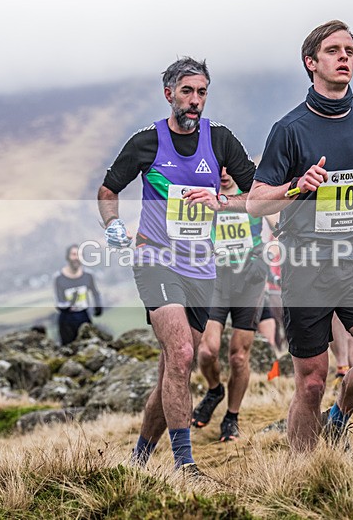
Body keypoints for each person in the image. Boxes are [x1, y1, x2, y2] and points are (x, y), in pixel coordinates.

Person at [247, 20, 353, 452]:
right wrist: (297, 186)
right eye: (334, 50)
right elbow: (256, 202)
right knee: (312, 381)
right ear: (311, 62)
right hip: (305, 266)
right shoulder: (290, 129)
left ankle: (339, 417)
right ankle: (304, 474)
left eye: (350, 51)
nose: (344, 58)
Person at [97, 57, 256, 473]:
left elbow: (257, 195)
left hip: (201, 268)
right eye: (187, 91)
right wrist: (112, 223)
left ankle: (139, 458)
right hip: (155, 259)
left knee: (172, 369)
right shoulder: (146, 142)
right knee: (184, 353)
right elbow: (108, 189)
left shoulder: (220, 140)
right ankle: (185, 464)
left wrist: (223, 201)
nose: (195, 101)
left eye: (202, 92)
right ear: (169, 94)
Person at [192, 167, 268, 442]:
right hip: (216, 282)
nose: (224, 173)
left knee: (239, 356)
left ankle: (231, 417)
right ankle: (214, 390)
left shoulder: (254, 196)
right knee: (207, 350)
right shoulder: (206, 197)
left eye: (229, 167)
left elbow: (283, 225)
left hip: (249, 282)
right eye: (218, 167)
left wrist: (266, 255)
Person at [54, 244, 102, 344]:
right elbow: (59, 301)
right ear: (68, 257)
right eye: (74, 254)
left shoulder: (88, 275)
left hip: (84, 316)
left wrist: (98, 306)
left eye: (79, 255)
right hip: (66, 319)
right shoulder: (59, 278)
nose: (77, 258)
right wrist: (68, 305)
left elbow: (95, 293)